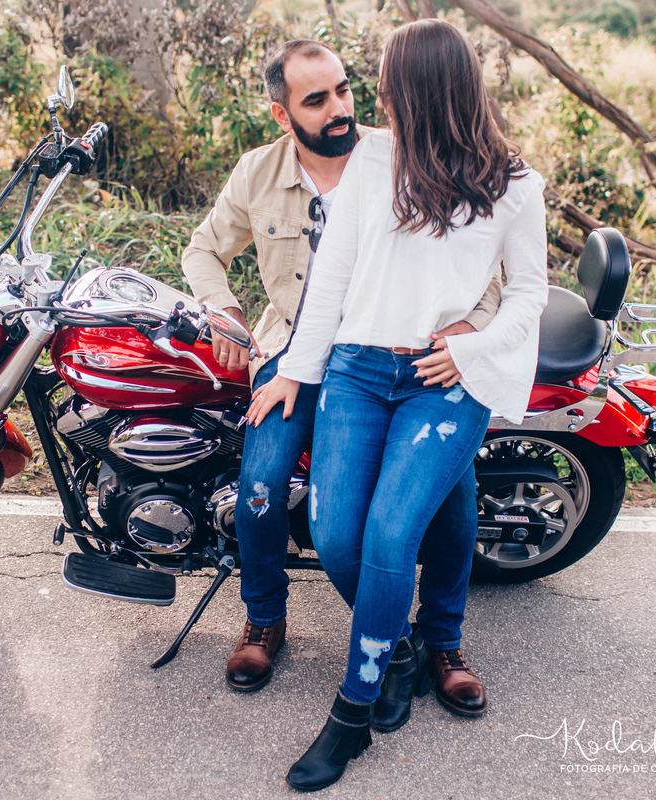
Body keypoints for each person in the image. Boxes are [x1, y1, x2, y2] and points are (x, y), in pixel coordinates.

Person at [245, 20, 549, 792]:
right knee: (333, 532)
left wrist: (472, 349)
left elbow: (531, 293)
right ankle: (405, 645)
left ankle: (355, 709)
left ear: (419, 89)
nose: (372, 95)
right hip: (354, 369)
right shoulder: (370, 161)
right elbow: (332, 282)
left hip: (443, 380)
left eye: (382, 81)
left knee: (388, 536)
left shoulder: (513, 183)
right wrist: (296, 373)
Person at [181, 39, 502, 723]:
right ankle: (265, 620)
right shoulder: (258, 173)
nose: (340, 109)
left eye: (345, 91)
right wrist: (227, 313)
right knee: (261, 481)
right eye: (317, 99)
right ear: (281, 113)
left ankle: (442, 641)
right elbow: (204, 248)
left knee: (453, 494)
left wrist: (469, 336)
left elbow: (486, 273)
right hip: (294, 351)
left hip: (395, 358)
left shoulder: (400, 157)